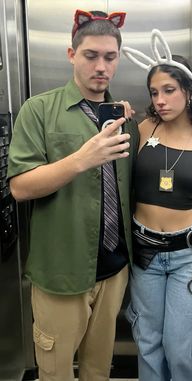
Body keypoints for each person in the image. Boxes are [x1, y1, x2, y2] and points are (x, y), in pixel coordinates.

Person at [7, 9, 139, 381]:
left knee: (99, 369)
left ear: (118, 59)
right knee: (56, 371)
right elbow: (20, 187)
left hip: (114, 271)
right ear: (71, 55)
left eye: (110, 57)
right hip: (61, 272)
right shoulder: (39, 111)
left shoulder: (124, 118)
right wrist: (82, 159)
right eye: (91, 55)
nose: (101, 66)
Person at [122, 29, 192, 381]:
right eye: (155, 92)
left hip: (189, 257)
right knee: (148, 344)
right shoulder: (143, 129)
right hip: (144, 256)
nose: (161, 100)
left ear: (189, 91)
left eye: (169, 90)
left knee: (179, 348)